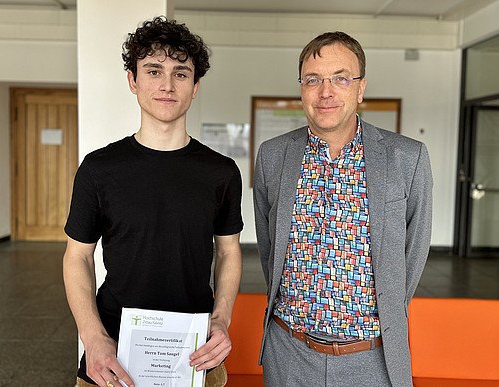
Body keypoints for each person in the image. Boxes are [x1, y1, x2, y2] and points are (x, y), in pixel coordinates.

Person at [63, 16, 243, 387]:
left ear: (195, 87)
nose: (166, 84)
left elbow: (228, 252)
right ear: (133, 80)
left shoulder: (221, 172)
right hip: (111, 355)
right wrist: (92, 338)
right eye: (153, 70)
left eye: (180, 73)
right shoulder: (99, 169)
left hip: (196, 354)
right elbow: (77, 256)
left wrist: (221, 319)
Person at [253, 31, 432, 387]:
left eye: (340, 78)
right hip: (289, 355)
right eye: (313, 79)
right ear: (301, 88)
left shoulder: (407, 158)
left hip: (372, 360)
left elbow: (412, 257)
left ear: (360, 88)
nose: (326, 92)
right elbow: (269, 248)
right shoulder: (273, 155)